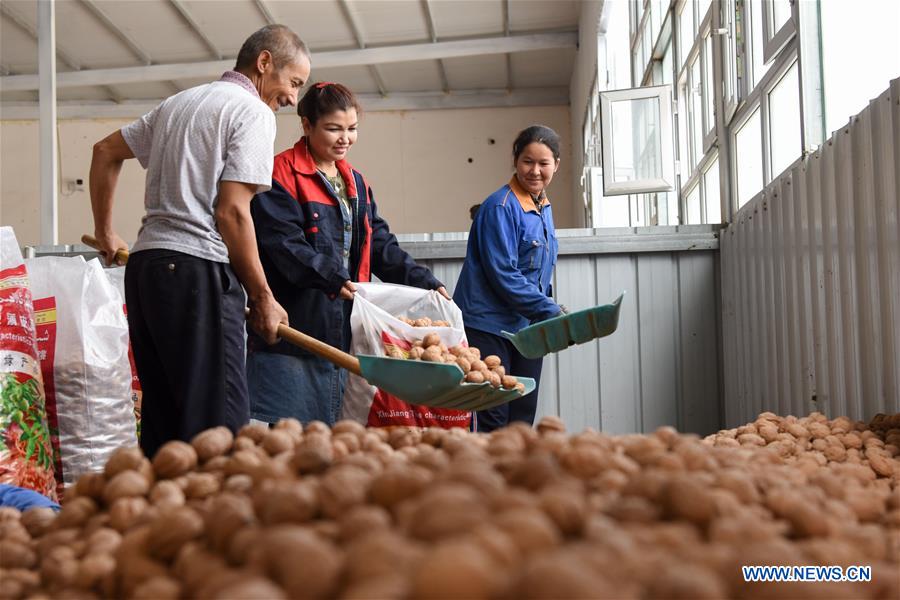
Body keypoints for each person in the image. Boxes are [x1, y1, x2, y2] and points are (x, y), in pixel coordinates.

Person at [88, 25, 310, 458]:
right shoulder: (251, 112)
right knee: (217, 433)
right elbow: (231, 212)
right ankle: (211, 523)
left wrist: (104, 231)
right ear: (264, 63)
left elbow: (103, 151)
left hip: (148, 270)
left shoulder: (180, 102)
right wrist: (263, 296)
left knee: (166, 428)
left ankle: (160, 519)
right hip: (197, 271)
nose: (292, 99)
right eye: (293, 83)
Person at [248, 82, 448, 426]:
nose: (345, 138)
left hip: (344, 331)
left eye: (352, 129)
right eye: (333, 129)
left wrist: (425, 282)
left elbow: (380, 243)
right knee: (291, 435)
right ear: (307, 125)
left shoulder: (356, 182)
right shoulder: (279, 175)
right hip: (298, 328)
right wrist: (333, 277)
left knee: (337, 435)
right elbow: (284, 245)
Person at [453, 125, 565, 433]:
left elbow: (538, 270)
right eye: (528, 161)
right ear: (515, 160)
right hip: (488, 325)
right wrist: (548, 310)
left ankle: (517, 474)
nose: (535, 171)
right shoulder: (500, 207)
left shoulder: (542, 206)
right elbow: (503, 273)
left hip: (527, 325)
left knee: (523, 409)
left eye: (544, 163)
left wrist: (548, 306)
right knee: (494, 412)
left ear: (556, 164)